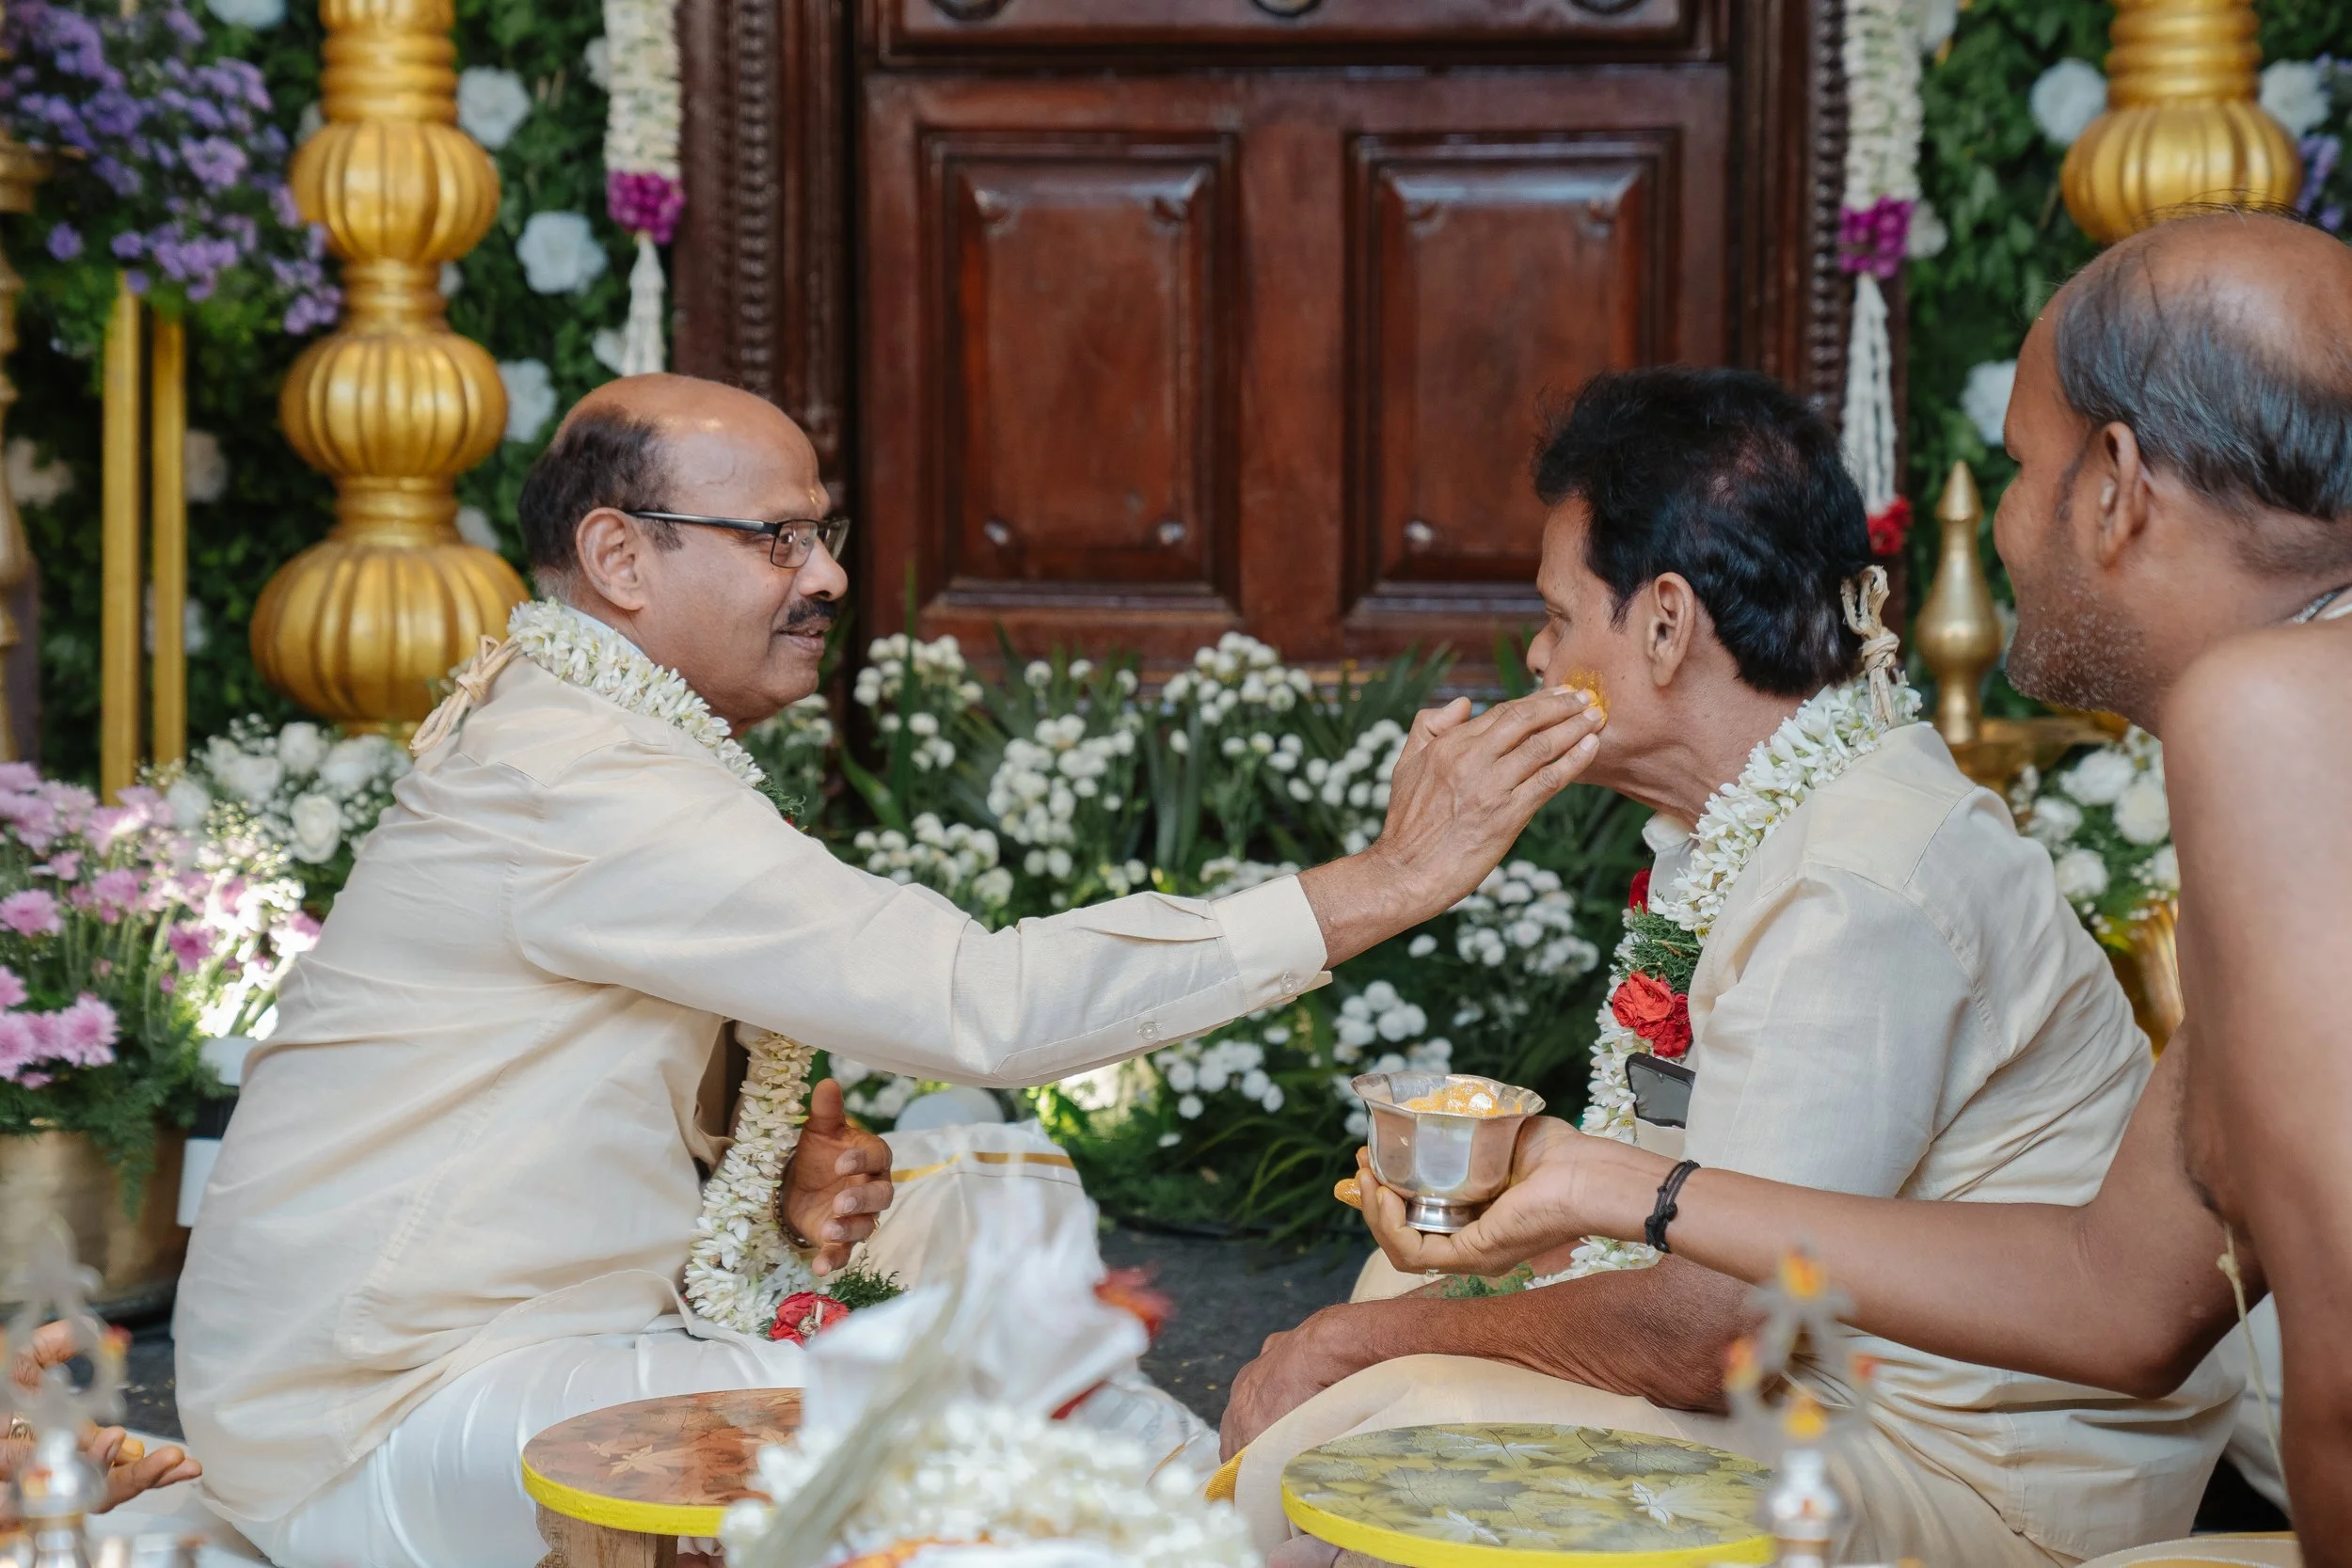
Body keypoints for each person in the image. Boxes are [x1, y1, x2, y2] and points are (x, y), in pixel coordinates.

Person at [171, 374, 1604, 1568]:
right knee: (1009, 1426)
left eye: (825, 531)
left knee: (1015, 1285)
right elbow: (982, 1003)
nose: (829, 575)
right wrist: (1385, 881)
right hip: (378, 1414)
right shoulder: (580, 773)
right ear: (620, 558)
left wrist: (761, 1181)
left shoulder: (587, 732)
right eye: (777, 537)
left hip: (474, 1354)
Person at [1355, 210, 2352, 1558]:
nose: (1997, 524)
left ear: (2115, 484)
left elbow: (2334, 1387)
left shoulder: (2268, 708)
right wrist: (1611, 1185)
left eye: (2017, 466)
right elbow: (2119, 1297)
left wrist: (1611, 1198)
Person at [1223, 365, 2238, 1567]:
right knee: (1390, 1296)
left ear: (1665, 622)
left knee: (1375, 1420)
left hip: (1969, 1478)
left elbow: (1707, 1335)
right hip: (1811, 1378)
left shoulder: (1856, 881)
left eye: (1557, 617)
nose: (1537, 659)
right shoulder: (1769, 821)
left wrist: (1349, 1350)